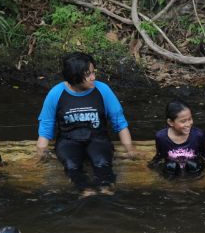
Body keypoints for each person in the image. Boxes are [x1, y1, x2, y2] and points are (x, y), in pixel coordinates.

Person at [36, 52, 138, 196]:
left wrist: (130, 149)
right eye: (88, 74)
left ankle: (106, 189)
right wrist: (41, 151)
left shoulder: (103, 90)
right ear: (75, 77)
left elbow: (119, 123)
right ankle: (84, 190)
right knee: (71, 165)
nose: (93, 77)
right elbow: (46, 127)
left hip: (98, 138)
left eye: (93, 72)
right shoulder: (56, 93)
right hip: (68, 140)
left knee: (102, 162)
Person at [148, 99, 205, 177]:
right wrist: (151, 167)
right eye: (183, 121)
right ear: (170, 122)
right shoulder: (161, 137)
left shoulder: (198, 135)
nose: (188, 124)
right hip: (173, 172)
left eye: (190, 119)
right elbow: (160, 156)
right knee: (171, 166)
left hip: (194, 170)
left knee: (192, 165)